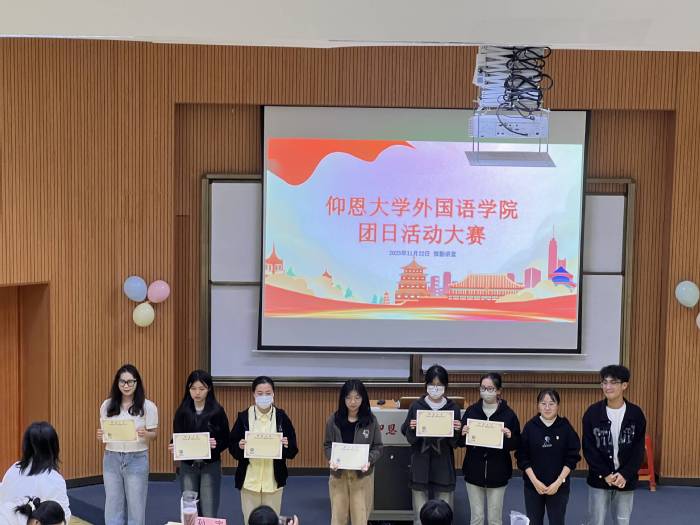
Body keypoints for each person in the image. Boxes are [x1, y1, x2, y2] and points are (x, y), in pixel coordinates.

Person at [230, 376, 299, 525]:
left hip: (273, 481)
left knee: (272, 521)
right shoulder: (244, 417)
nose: (264, 397)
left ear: (273, 394)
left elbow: (293, 450)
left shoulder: (281, 418)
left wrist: (287, 446)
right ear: (253, 394)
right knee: (250, 521)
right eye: (260, 393)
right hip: (249, 481)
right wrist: (239, 447)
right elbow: (232, 447)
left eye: (268, 393)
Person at [583, 365, 646, 525]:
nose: (607, 387)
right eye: (604, 382)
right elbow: (589, 449)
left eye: (613, 382)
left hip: (625, 479)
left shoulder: (636, 414)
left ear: (624, 385)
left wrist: (625, 474)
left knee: (622, 521)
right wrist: (605, 473)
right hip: (599, 478)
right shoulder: (592, 413)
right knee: (595, 521)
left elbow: (638, 450)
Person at [97, 364, 158, 525]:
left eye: (130, 382)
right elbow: (106, 434)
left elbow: (154, 435)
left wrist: (146, 434)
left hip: (137, 457)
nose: (126, 386)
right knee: (113, 503)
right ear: (117, 383)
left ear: (137, 383)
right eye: (122, 382)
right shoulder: (107, 405)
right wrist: (100, 435)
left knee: (136, 505)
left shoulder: (148, 406)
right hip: (111, 457)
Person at [401, 365, 462, 525]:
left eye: (439, 385)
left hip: (443, 465)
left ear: (445, 386)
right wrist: (412, 428)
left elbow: (455, 443)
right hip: (420, 465)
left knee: (444, 512)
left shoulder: (453, 408)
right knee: (420, 515)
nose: (435, 388)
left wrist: (457, 430)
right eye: (432, 384)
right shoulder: (416, 406)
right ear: (426, 385)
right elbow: (409, 437)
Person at [461, 372, 520, 525]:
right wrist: (462, 433)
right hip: (473, 471)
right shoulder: (471, 411)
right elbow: (460, 442)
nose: (486, 392)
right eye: (483, 388)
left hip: (498, 473)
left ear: (499, 390)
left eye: (490, 388)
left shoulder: (509, 415)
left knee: (495, 519)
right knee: (477, 518)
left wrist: (509, 437)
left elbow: (516, 444)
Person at [516, 389, 581, 525]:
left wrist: (558, 482)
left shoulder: (565, 427)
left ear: (558, 405)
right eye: (543, 403)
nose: (547, 407)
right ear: (538, 405)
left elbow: (572, 457)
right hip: (533, 486)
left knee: (557, 521)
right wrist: (535, 481)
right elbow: (522, 456)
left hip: (559, 487)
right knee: (534, 522)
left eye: (551, 403)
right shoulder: (530, 427)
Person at [170, 370, 230, 517]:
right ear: (188, 389)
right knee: (189, 509)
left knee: (209, 509)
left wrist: (215, 445)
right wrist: (174, 445)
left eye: (201, 389)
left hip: (210, 465)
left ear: (209, 389)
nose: (197, 393)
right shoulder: (182, 412)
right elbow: (177, 436)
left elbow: (226, 439)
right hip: (188, 466)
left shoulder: (217, 411)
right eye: (193, 388)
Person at [324, 379, 383, 525]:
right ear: (343, 399)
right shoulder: (334, 420)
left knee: (360, 519)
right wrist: (332, 458)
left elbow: (378, 447)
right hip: (339, 476)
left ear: (363, 399)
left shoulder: (371, 421)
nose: (353, 402)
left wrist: (368, 460)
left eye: (357, 397)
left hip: (362, 477)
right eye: (349, 397)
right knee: (338, 519)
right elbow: (327, 445)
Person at [0, 422, 71, 525]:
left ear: (26, 446)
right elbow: (63, 518)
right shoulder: (55, 479)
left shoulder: (13, 469)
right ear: (54, 447)